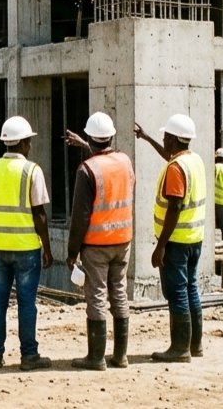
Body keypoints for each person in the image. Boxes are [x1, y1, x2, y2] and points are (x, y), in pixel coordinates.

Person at [0, 115, 54, 371]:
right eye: (28, 142)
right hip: (25, 248)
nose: (30, 146)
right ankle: (29, 355)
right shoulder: (32, 170)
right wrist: (47, 248)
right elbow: (39, 214)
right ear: (21, 144)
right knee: (26, 302)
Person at [64, 112, 135, 370]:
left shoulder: (86, 170)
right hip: (123, 239)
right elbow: (107, 162)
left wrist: (72, 251)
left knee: (96, 296)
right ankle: (121, 356)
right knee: (119, 294)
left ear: (90, 140)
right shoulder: (125, 161)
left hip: (96, 243)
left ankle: (96, 358)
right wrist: (87, 145)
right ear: (112, 136)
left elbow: (80, 216)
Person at [135, 114, 207, 362]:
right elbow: (169, 157)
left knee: (177, 292)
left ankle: (180, 348)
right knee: (190, 290)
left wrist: (160, 246)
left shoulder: (176, 169)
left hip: (176, 242)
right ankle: (195, 345)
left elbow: (175, 207)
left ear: (175, 140)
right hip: (194, 239)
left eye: (165, 136)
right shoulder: (193, 161)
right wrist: (146, 138)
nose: (163, 139)